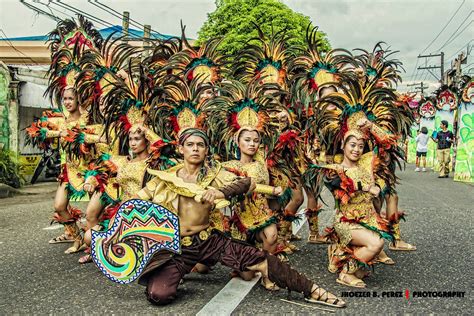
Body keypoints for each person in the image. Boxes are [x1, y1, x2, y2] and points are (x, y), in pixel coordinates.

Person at [132, 128, 345, 308]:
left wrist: (220, 192)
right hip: (178, 248)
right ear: (181, 149)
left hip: (209, 241)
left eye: (200, 145)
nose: (195, 149)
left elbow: (248, 183)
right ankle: (177, 271)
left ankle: (312, 290)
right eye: (190, 144)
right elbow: (134, 204)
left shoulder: (214, 175)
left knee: (261, 261)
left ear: (206, 150)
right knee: (158, 295)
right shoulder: (165, 178)